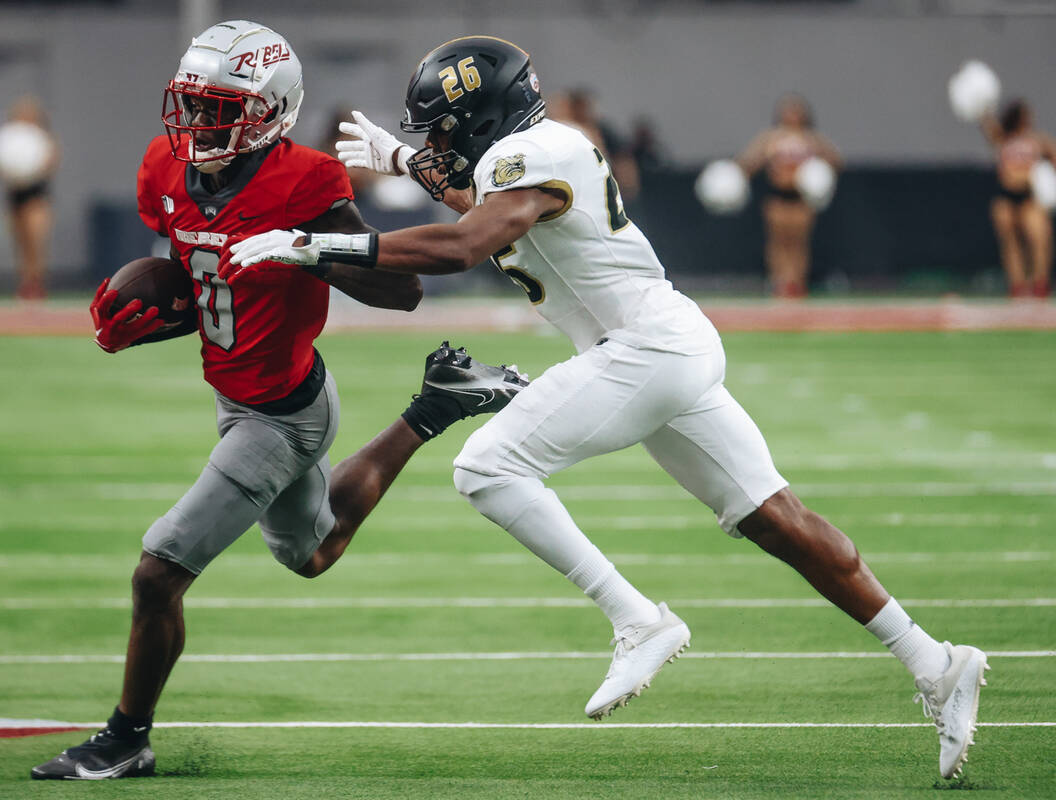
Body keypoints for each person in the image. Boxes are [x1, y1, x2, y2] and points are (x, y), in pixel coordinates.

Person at [230, 36, 988, 780]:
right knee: (774, 516)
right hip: (664, 344)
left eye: (442, 128)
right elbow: (482, 204)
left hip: (643, 350)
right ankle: (936, 662)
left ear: (484, 118)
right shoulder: (535, 152)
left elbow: (468, 243)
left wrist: (310, 248)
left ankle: (637, 618)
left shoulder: (532, 156)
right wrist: (399, 164)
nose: (433, 142)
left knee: (486, 466)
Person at [30, 21, 526, 781]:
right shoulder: (164, 166)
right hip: (246, 396)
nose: (199, 124)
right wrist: (148, 320)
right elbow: (206, 285)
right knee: (312, 553)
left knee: (157, 572)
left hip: (282, 414)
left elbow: (404, 292)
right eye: (193, 105)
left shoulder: (306, 180)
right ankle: (434, 406)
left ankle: (126, 737)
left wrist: (308, 244)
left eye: (220, 108)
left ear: (271, 111)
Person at [736, 94, 842, 299]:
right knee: (778, 243)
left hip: (800, 199)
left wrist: (820, 172)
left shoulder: (811, 139)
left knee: (799, 243)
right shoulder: (771, 138)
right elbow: (749, 161)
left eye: (796, 111)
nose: (792, 115)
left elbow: (835, 159)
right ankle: (779, 281)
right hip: (778, 197)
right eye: (788, 110)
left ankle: (797, 283)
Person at [980, 99, 1056, 298]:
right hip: (1005, 195)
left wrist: (1047, 179)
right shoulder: (1003, 138)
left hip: (1029, 196)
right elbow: (987, 127)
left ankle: (1040, 282)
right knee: (1010, 242)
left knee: (1039, 237)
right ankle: (1018, 284)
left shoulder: (1037, 140)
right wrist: (983, 108)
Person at [0, 96, 60, 300]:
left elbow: (51, 164)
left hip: (36, 195)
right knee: (20, 241)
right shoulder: (8, 138)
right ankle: (25, 282)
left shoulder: (43, 140)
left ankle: (36, 282)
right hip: (15, 194)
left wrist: (32, 169)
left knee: (36, 241)